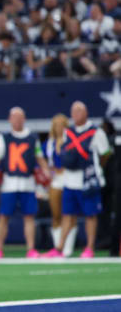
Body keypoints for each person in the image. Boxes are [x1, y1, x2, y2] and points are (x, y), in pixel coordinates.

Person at [43, 101, 111, 258]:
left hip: (87, 180)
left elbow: (105, 153)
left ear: (86, 113)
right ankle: (59, 248)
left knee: (90, 214)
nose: (75, 115)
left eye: (79, 111)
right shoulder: (68, 132)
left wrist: (95, 169)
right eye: (73, 112)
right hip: (70, 179)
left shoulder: (96, 132)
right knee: (67, 214)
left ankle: (89, 247)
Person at [0, 107, 50, 259]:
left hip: (28, 182)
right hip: (9, 183)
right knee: (3, 217)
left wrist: (47, 173)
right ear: (9, 119)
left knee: (29, 216)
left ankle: (31, 248)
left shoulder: (33, 138)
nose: (17, 120)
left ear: (24, 119)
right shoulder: (4, 137)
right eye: (14, 117)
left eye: (19, 117)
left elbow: (40, 158)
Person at [43, 114, 77, 255]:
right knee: (56, 215)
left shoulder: (71, 140)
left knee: (69, 214)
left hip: (70, 179)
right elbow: (42, 160)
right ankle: (58, 246)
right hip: (56, 180)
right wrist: (48, 172)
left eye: (62, 125)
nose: (59, 128)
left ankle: (68, 246)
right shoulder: (49, 144)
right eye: (56, 125)